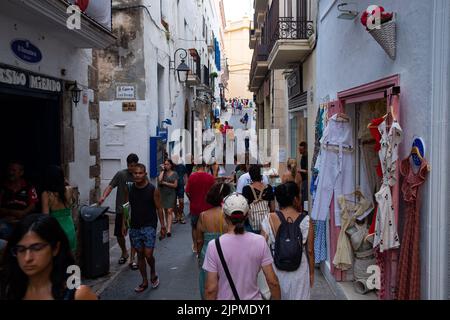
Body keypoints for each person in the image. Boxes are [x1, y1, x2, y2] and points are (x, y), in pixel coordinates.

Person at [0, 214, 97, 300]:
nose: (27, 258)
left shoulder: (76, 294)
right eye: (21, 250)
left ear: (55, 248)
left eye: (37, 248)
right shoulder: (9, 289)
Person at [203, 193, 281, 300]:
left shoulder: (214, 246)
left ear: (224, 216)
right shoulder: (259, 241)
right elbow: (272, 282)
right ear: (247, 215)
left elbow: (211, 289)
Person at [261, 182, 313, 300]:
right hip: (300, 268)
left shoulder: (269, 218)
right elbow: (309, 250)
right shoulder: (306, 220)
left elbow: (262, 245)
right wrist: (312, 273)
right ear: (295, 199)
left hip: (277, 267)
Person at [125, 164, 166, 293]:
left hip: (149, 225)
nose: (137, 175)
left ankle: (153, 272)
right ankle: (144, 280)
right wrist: (124, 225)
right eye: (135, 173)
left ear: (145, 174)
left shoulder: (152, 189)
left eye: (140, 173)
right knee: (140, 254)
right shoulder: (130, 189)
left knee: (148, 254)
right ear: (132, 175)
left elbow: (159, 208)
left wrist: (163, 226)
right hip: (135, 226)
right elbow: (126, 207)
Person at [99, 153, 138, 269]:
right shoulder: (121, 175)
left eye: (134, 166)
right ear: (127, 165)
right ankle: (124, 252)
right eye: (130, 166)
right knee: (119, 234)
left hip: (136, 210)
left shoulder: (139, 175)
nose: (132, 168)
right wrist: (103, 196)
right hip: (122, 209)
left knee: (133, 234)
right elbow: (111, 186)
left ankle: (132, 257)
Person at [196, 183, 232, 299]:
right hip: (227, 251)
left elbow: (199, 240)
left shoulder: (203, 216)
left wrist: (199, 255)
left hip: (207, 252)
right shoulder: (228, 216)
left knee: (208, 282)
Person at [41, 166, 77, 254]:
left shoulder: (47, 194)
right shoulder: (69, 189)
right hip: (69, 227)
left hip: (56, 229)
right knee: (69, 256)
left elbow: (45, 217)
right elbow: (73, 204)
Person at [0, 161, 38, 241]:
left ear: (21, 172)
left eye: (14, 170)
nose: (11, 173)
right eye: (9, 170)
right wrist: (12, 213)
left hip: (23, 221)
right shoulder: (3, 187)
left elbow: (33, 205)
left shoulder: (28, 186)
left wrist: (23, 213)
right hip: (6, 221)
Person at [185, 162, 216, 254]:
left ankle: (195, 246)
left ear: (196, 167)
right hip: (208, 207)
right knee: (207, 227)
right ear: (205, 166)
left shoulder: (192, 177)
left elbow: (187, 192)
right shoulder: (210, 177)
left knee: (194, 227)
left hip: (195, 207)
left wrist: (192, 199)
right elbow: (214, 192)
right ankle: (206, 246)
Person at [242, 165, 275, 234]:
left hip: (251, 226)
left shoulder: (246, 189)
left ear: (250, 175)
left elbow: (244, 208)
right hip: (266, 225)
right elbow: (273, 208)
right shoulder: (268, 188)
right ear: (261, 174)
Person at [158, 159, 178, 237]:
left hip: (171, 194)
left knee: (170, 210)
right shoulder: (162, 173)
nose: (166, 166)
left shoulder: (175, 173)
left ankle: (169, 229)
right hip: (163, 193)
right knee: (165, 210)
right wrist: (162, 171)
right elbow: (159, 180)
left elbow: (175, 185)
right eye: (165, 164)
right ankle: (167, 226)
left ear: (171, 165)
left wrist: (165, 183)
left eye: (167, 164)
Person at [172, 157, 187, 225]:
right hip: (172, 187)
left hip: (181, 186)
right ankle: (176, 216)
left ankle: (180, 215)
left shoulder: (182, 166)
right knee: (173, 203)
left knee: (181, 202)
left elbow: (185, 175)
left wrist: (186, 184)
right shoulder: (171, 167)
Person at [298, 142, 309, 207]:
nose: (299, 151)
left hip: (306, 180)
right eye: (299, 149)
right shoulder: (302, 157)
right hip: (303, 180)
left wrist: (299, 170)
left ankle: (306, 210)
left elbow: (307, 171)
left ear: (305, 149)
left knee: (305, 197)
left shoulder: (307, 157)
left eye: (301, 149)